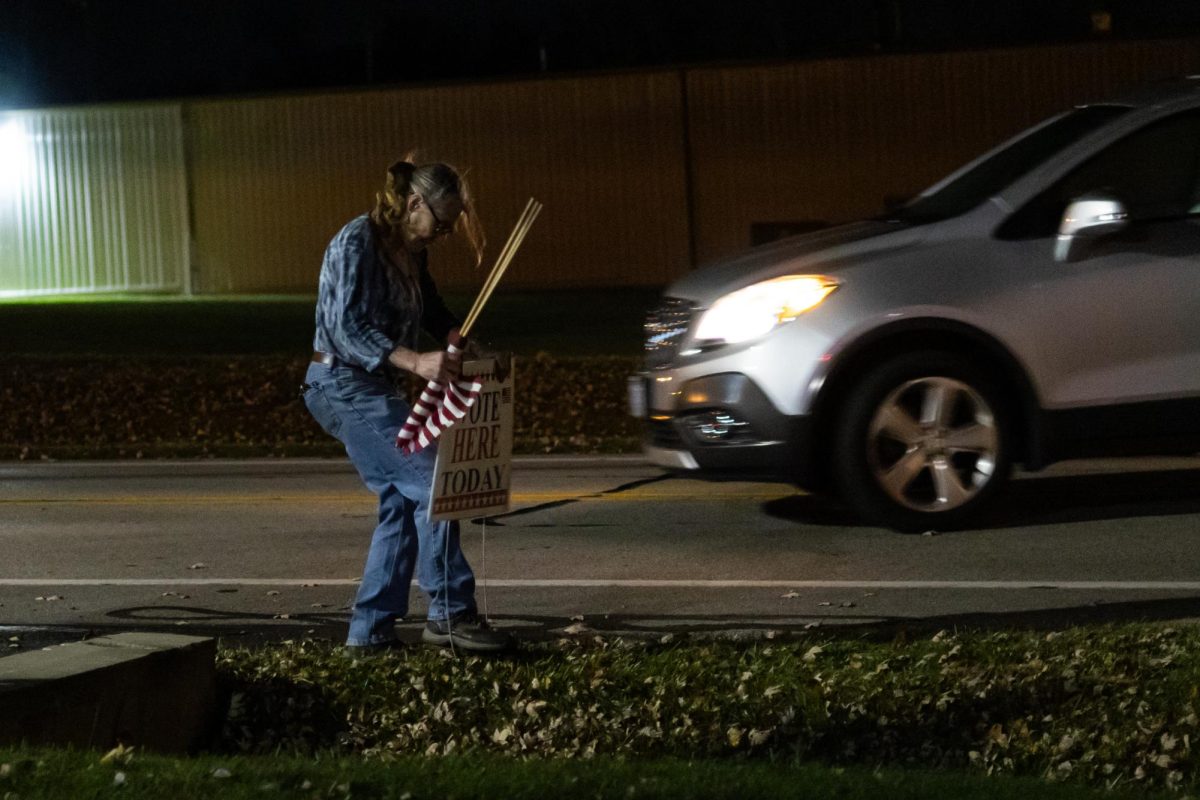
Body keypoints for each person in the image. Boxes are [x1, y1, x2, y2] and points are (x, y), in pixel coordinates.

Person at [302, 157, 511, 653]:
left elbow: (433, 309)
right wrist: (416, 361)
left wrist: (464, 344)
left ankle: (370, 633)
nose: (441, 235)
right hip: (339, 382)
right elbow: (345, 328)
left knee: (402, 498)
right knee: (436, 480)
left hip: (372, 386)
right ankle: (449, 614)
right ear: (414, 204)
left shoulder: (412, 254)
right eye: (440, 223)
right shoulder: (359, 241)